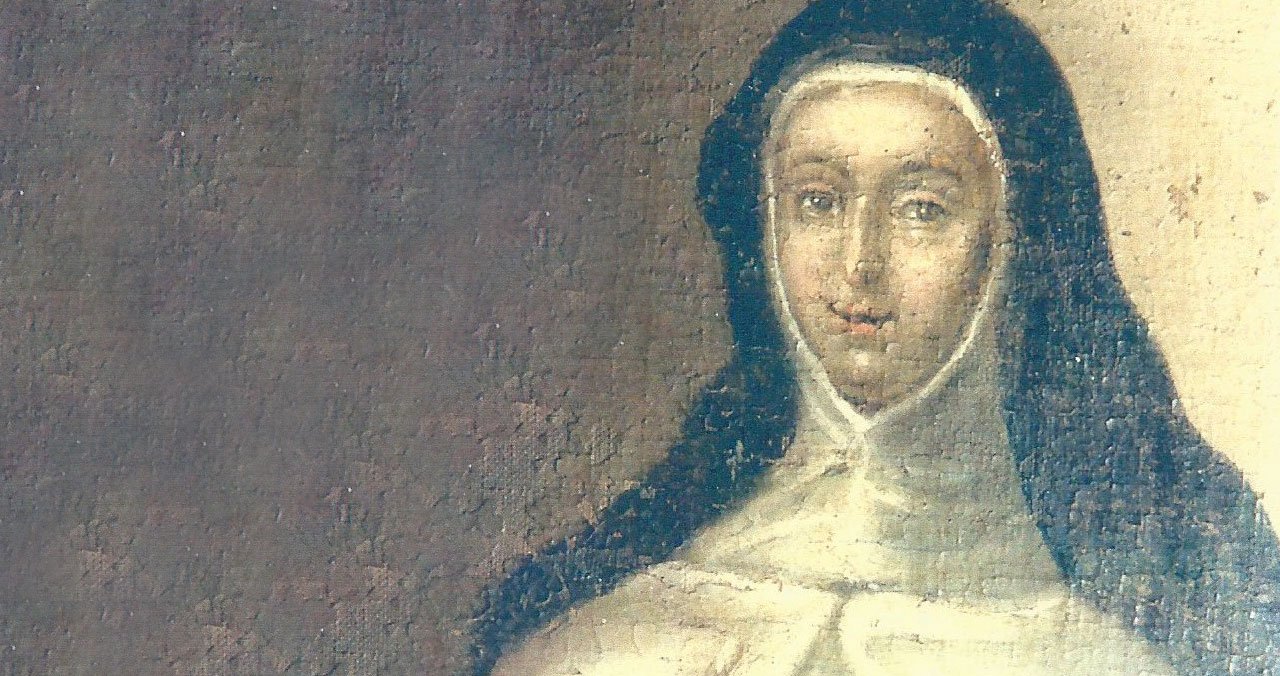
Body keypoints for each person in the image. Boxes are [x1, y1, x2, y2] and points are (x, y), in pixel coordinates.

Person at [470, 0, 1280, 673]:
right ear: (766, 226)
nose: (860, 262)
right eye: (818, 201)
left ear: (1012, 243)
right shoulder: (601, 646)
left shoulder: (1120, 658)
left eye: (922, 208)